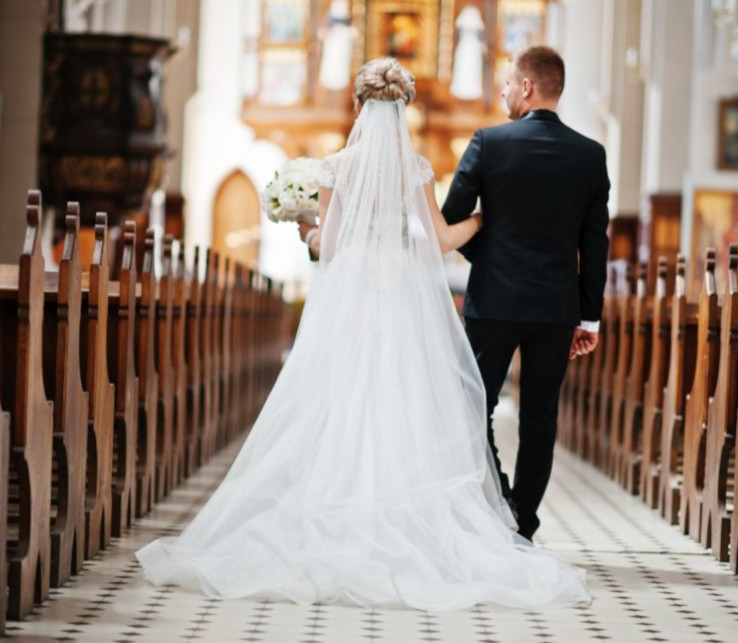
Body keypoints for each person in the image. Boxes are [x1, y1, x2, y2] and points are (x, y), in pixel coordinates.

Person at [136, 57, 590, 612]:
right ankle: (431, 521)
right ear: (403, 109)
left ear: (357, 106)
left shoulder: (335, 167)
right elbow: (441, 240)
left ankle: (336, 509)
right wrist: (485, 222)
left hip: (352, 293)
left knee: (343, 397)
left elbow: (326, 245)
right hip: (401, 292)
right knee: (402, 397)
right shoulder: (417, 167)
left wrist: (305, 227)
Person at [441, 45, 611, 541]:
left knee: (475, 404)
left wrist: (490, 257)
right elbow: (593, 242)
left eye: (508, 84)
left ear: (528, 87)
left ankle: (496, 499)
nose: (503, 92)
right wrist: (589, 317)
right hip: (557, 309)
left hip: (494, 300)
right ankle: (523, 521)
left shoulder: (489, 143)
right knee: (540, 414)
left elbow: (452, 218)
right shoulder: (589, 155)